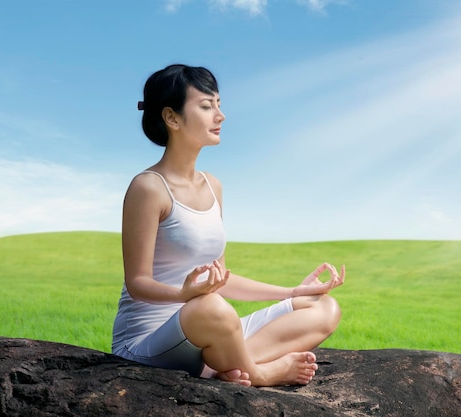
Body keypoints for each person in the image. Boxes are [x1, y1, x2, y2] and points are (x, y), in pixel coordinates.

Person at [111, 64, 345, 387]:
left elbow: (220, 279)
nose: (220, 116)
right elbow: (137, 282)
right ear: (172, 118)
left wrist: (293, 292)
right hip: (148, 342)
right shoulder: (148, 188)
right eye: (207, 106)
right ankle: (262, 373)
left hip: (207, 328)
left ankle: (229, 363)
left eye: (219, 105)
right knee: (212, 309)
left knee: (323, 308)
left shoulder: (213, 187)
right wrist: (184, 293)